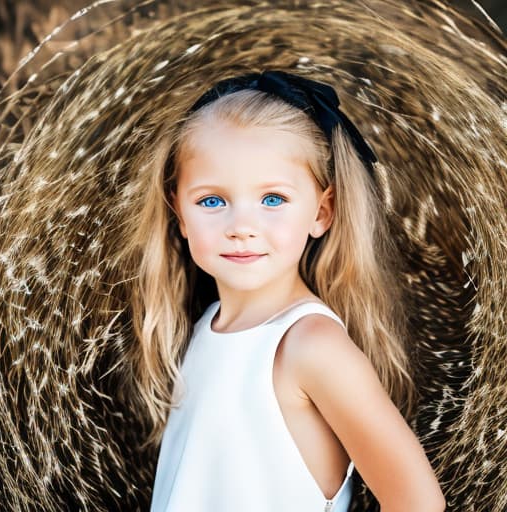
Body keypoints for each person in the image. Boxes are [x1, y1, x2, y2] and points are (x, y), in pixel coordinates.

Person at [131, 70, 446, 511]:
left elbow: (417, 503)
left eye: (273, 199)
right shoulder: (207, 327)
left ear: (322, 211)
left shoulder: (310, 346)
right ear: (179, 214)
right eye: (211, 201)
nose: (241, 227)